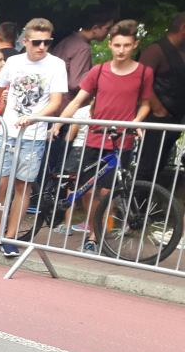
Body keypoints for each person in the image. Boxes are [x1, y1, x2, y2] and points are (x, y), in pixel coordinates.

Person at [0, 18, 68, 257]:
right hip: (8, 131)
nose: (42, 47)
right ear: (25, 41)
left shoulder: (56, 65)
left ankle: (10, 237)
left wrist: (34, 117)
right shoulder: (14, 62)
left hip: (33, 135)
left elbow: (56, 102)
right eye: (37, 42)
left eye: (47, 42)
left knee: (22, 187)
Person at [58, 20, 154, 252]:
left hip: (122, 140)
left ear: (134, 45)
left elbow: (145, 104)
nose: (121, 50)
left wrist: (136, 121)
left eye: (127, 45)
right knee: (88, 190)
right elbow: (79, 99)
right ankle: (93, 225)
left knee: (109, 191)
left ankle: (94, 235)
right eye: (117, 45)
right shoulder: (98, 70)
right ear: (110, 45)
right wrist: (59, 122)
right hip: (94, 137)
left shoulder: (144, 73)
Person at [138, 11, 185, 181]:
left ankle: (144, 204)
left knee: (159, 165)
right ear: (183, 28)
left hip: (174, 118)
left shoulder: (180, 51)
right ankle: (133, 206)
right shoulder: (155, 50)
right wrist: (158, 108)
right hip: (156, 119)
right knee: (147, 166)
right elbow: (142, 80)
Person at [53, 8, 116, 105]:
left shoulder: (68, 40)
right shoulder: (83, 48)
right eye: (107, 28)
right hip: (67, 105)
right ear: (95, 28)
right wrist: (98, 74)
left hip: (54, 101)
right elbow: (75, 83)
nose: (108, 33)